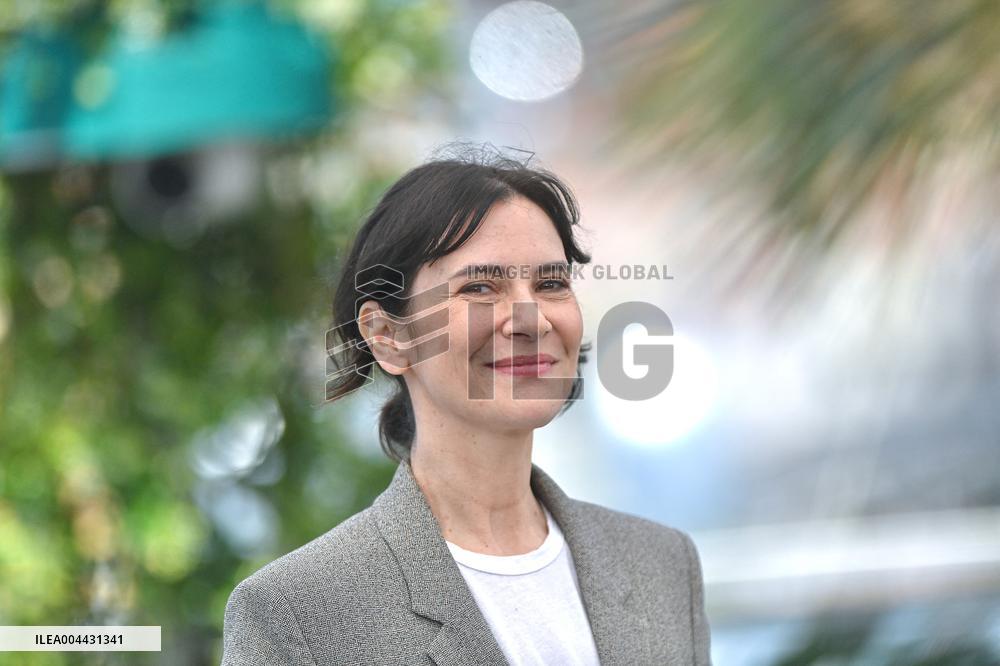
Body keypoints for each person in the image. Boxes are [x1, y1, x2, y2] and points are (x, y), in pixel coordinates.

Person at [221, 145, 712, 665]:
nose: (531, 320)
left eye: (550, 283)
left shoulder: (662, 566)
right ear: (387, 336)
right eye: (480, 286)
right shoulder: (296, 614)